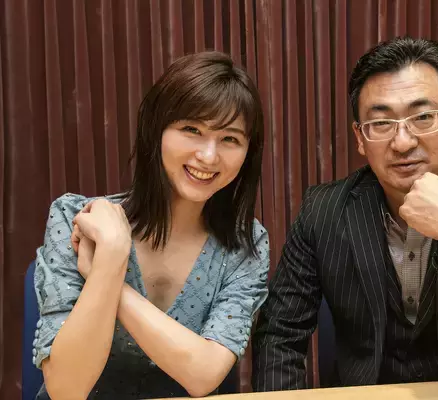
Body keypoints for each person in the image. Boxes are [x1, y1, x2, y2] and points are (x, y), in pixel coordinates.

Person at [251, 36, 438, 391]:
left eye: (423, 117)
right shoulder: (322, 212)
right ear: (360, 137)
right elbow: (280, 337)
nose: (402, 142)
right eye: (381, 123)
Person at [32, 51, 269, 399]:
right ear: (156, 130)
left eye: (230, 139)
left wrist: (108, 272)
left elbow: (203, 376)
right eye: (192, 129)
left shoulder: (245, 243)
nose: (208, 156)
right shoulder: (78, 219)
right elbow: (67, 390)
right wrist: (113, 249)